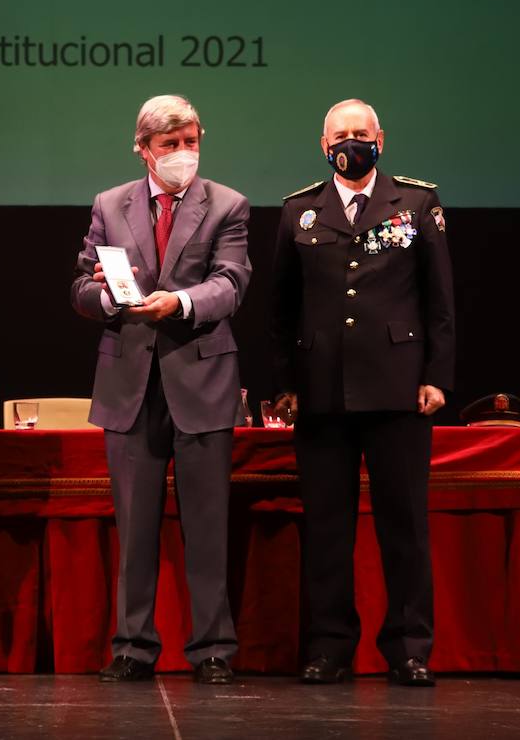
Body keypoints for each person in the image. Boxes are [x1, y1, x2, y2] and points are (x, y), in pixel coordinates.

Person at [270, 98, 455, 687]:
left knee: (404, 526)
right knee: (327, 528)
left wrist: (436, 376)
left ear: (382, 139)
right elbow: (281, 308)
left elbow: (440, 302)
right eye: (341, 135)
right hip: (321, 391)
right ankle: (329, 646)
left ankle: (408, 648)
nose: (352, 142)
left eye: (361, 133)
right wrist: (285, 385)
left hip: (400, 390)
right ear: (324, 146)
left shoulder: (418, 203)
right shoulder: (299, 211)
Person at [70, 94, 251, 684]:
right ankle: (132, 646)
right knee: (135, 526)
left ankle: (213, 649)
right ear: (143, 149)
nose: (182, 155)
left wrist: (180, 303)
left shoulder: (227, 205)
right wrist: (102, 295)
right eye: (169, 145)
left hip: (201, 379)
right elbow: (81, 285)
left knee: (206, 525)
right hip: (130, 383)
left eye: (191, 143)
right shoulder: (109, 204)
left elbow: (230, 284)